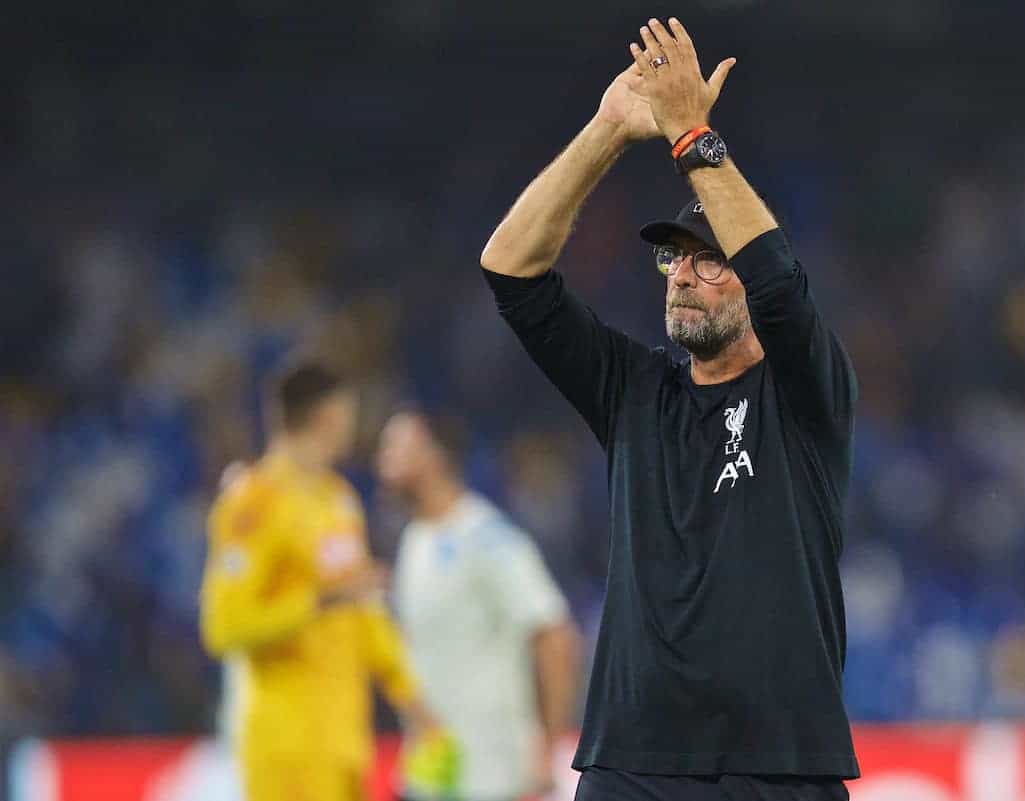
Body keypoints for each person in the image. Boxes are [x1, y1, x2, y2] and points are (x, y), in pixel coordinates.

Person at [479, 17, 859, 801]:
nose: (681, 274)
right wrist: (609, 131)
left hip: (779, 767)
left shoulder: (804, 391)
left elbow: (783, 286)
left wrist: (691, 134)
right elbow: (511, 271)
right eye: (672, 257)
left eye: (708, 258)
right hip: (630, 764)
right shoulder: (634, 389)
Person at [200, 360, 455, 801]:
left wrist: (411, 698)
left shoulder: (338, 499)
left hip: (345, 745)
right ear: (329, 415)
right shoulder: (253, 502)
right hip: (286, 750)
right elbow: (224, 626)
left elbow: (361, 609)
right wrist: (319, 600)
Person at [378, 409, 581, 801]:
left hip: (491, 773)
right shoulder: (414, 538)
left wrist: (549, 744)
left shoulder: (487, 537)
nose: (382, 457)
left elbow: (555, 634)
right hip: (432, 772)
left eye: (396, 446)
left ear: (434, 456)